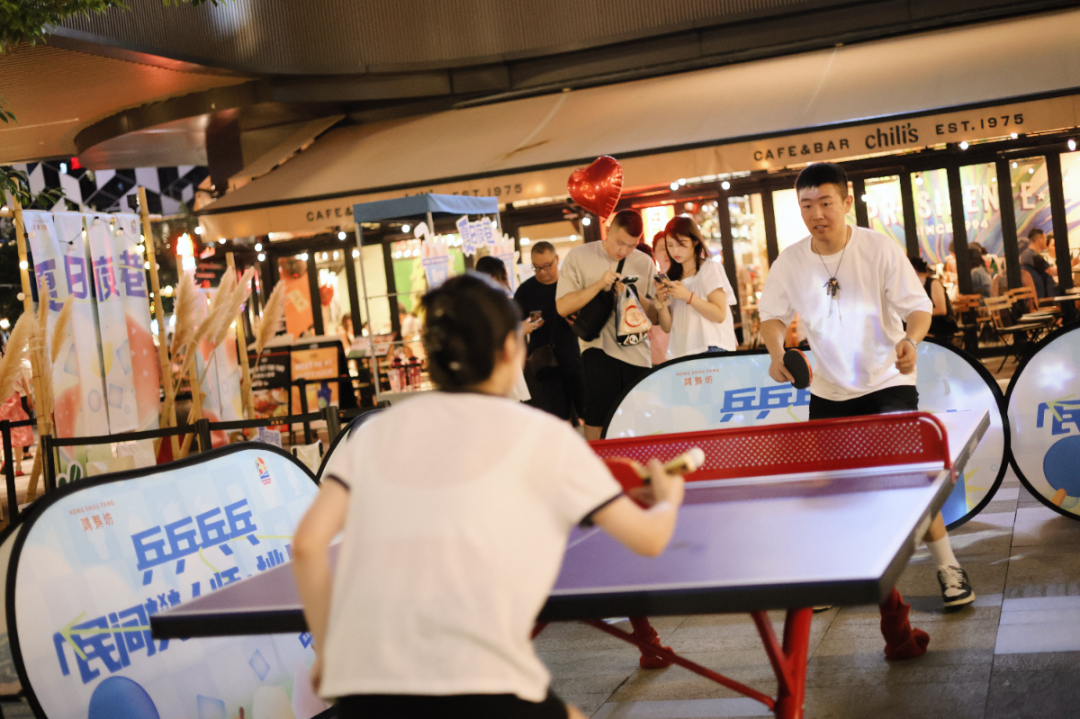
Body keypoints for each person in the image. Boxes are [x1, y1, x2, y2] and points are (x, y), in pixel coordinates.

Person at [291, 273, 685, 719]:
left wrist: (329, 653)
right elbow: (649, 539)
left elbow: (306, 545)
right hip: (478, 683)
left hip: (366, 684)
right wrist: (667, 497)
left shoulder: (375, 433)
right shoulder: (544, 436)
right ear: (511, 349)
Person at [758, 162, 974, 611]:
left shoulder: (878, 248)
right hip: (829, 390)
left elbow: (918, 309)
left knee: (910, 481)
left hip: (888, 380)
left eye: (825, 203)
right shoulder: (790, 261)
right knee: (830, 489)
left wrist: (911, 340)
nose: (816, 213)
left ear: (846, 202)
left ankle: (949, 568)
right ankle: (834, 577)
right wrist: (777, 353)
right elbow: (773, 317)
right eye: (806, 205)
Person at [556, 210, 659, 440]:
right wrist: (599, 285)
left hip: (637, 351)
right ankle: (598, 460)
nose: (624, 251)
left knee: (641, 421)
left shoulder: (644, 262)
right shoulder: (579, 256)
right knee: (597, 419)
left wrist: (635, 294)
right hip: (597, 350)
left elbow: (656, 317)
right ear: (609, 230)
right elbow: (562, 307)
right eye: (620, 243)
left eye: (632, 245)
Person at [513, 242, 585, 424]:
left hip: (573, 359)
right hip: (544, 364)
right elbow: (510, 325)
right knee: (557, 418)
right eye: (537, 267)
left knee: (586, 413)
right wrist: (522, 327)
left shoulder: (571, 285)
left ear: (557, 260)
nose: (543, 272)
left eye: (547, 266)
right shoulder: (525, 291)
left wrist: (579, 321)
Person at [654, 216, 738, 358]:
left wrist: (688, 296)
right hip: (683, 351)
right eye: (670, 245)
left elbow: (719, 314)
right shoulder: (671, 277)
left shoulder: (710, 268)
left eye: (681, 244)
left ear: (695, 241)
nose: (675, 251)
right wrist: (661, 302)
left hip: (712, 346)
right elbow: (667, 327)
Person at [910, 257, 958, 339]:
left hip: (942, 325)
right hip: (929, 324)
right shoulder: (916, 286)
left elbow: (941, 310)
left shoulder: (933, 283)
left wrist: (917, 313)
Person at [645, 234, 671, 366]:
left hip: (684, 352)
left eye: (670, 247)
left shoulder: (686, 280)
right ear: (654, 253)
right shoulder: (648, 282)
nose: (667, 253)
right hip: (657, 354)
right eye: (662, 248)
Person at [1020, 228, 1057, 298]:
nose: (1046, 241)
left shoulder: (1025, 254)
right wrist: (1072, 263)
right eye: (1045, 238)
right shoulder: (1034, 256)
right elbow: (1053, 272)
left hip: (1034, 294)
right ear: (1040, 239)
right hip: (1042, 295)